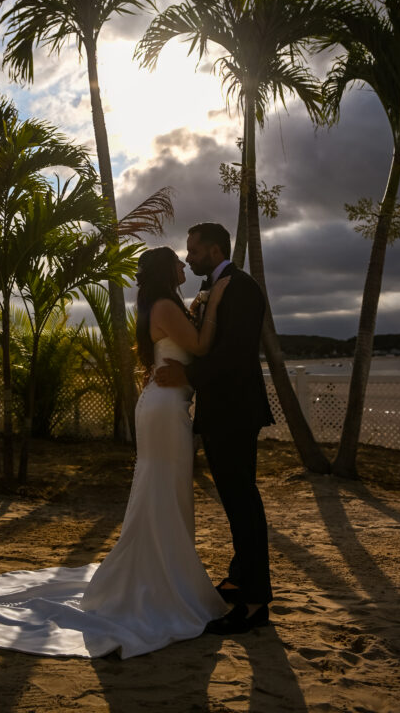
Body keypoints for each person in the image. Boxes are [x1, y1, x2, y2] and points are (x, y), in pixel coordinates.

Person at [0, 246, 230, 659]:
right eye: (176, 260)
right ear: (166, 271)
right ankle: (164, 581)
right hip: (165, 408)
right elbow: (203, 346)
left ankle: (163, 572)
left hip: (165, 403)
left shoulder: (164, 304)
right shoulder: (166, 308)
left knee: (164, 488)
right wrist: (214, 303)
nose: (182, 264)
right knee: (162, 488)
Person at [154, 222, 274, 634]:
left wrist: (188, 378)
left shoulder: (240, 287)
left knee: (242, 501)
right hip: (223, 410)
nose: (188, 258)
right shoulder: (216, 285)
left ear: (214, 249)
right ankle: (240, 579)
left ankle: (256, 602)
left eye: (194, 250)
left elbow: (236, 355)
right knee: (236, 498)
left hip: (235, 410)